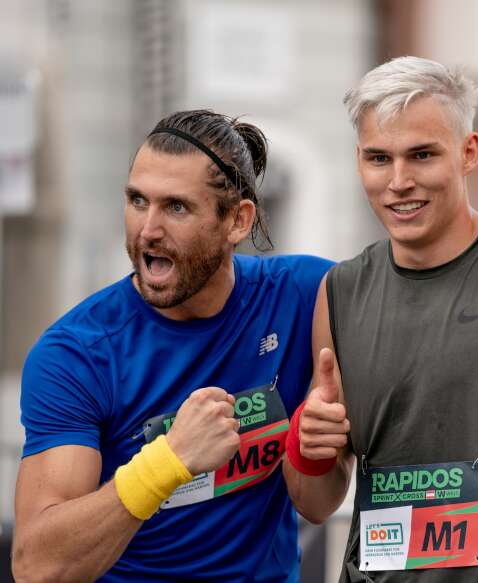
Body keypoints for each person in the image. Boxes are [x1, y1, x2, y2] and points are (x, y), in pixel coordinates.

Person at [12, 110, 333, 582]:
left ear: (237, 221)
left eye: (176, 207)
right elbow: (37, 566)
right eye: (138, 201)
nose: (148, 230)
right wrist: (168, 462)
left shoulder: (303, 293)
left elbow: (414, 269)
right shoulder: (77, 354)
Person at [282, 56, 478, 582]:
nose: (399, 181)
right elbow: (318, 503)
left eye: (423, 155)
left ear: (469, 152)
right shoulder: (341, 290)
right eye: (379, 158)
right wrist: (311, 446)